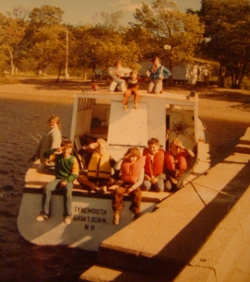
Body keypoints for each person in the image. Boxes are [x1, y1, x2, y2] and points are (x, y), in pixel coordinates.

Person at [36, 140, 79, 224]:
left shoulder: (73, 159)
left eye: (67, 149)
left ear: (70, 149)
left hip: (68, 180)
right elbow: (45, 154)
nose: (65, 151)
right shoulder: (58, 157)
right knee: (47, 188)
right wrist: (54, 150)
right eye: (64, 149)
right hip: (58, 179)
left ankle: (68, 215)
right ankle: (45, 213)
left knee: (68, 191)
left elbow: (75, 174)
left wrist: (66, 180)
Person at [112, 147, 145, 225]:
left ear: (137, 157)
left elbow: (140, 180)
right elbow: (116, 167)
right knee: (117, 191)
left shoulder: (141, 167)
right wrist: (122, 158)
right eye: (130, 157)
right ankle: (116, 212)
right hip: (125, 184)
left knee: (138, 195)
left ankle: (136, 213)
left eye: (134, 157)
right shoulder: (124, 162)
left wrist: (132, 188)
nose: (132, 159)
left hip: (135, 185)